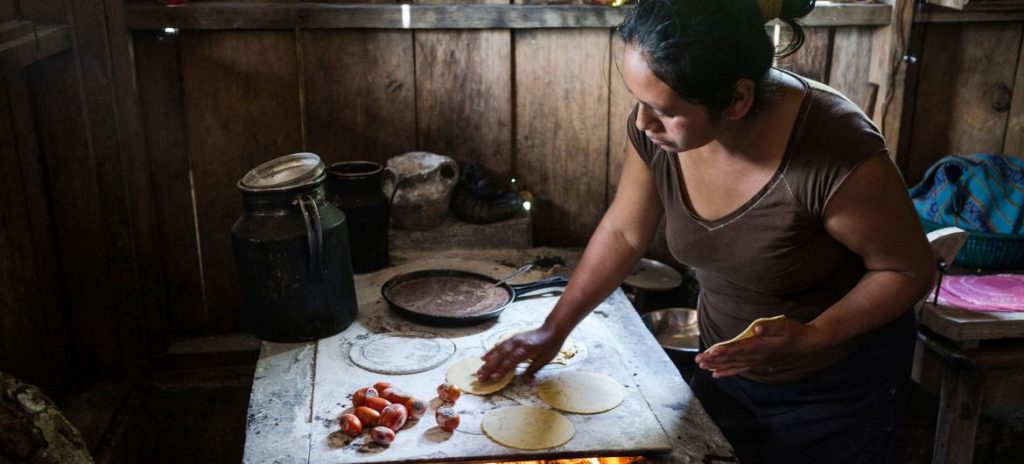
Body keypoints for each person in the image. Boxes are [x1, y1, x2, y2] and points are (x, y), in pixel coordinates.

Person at [477, 0, 936, 462]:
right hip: (726, 371)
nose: (642, 122)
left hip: (834, 393)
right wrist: (554, 329)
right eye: (639, 101)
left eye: (663, 110)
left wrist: (813, 335)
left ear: (737, 99)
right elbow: (624, 232)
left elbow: (907, 271)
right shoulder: (659, 135)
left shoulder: (836, 150)